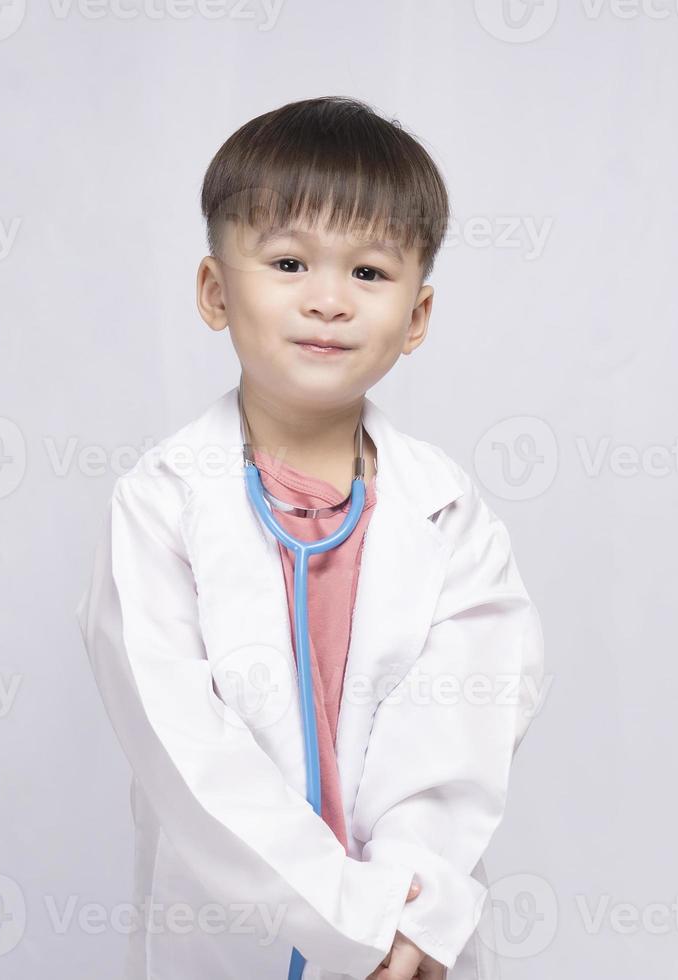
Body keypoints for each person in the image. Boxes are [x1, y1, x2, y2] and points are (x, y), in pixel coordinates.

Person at [76, 95, 546, 980]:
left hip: (406, 950)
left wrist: (408, 911)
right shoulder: (161, 503)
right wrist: (352, 920)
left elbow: (467, 720)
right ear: (216, 292)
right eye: (289, 262)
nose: (328, 300)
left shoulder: (448, 514)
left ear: (417, 317)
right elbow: (184, 747)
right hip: (235, 942)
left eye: (369, 273)